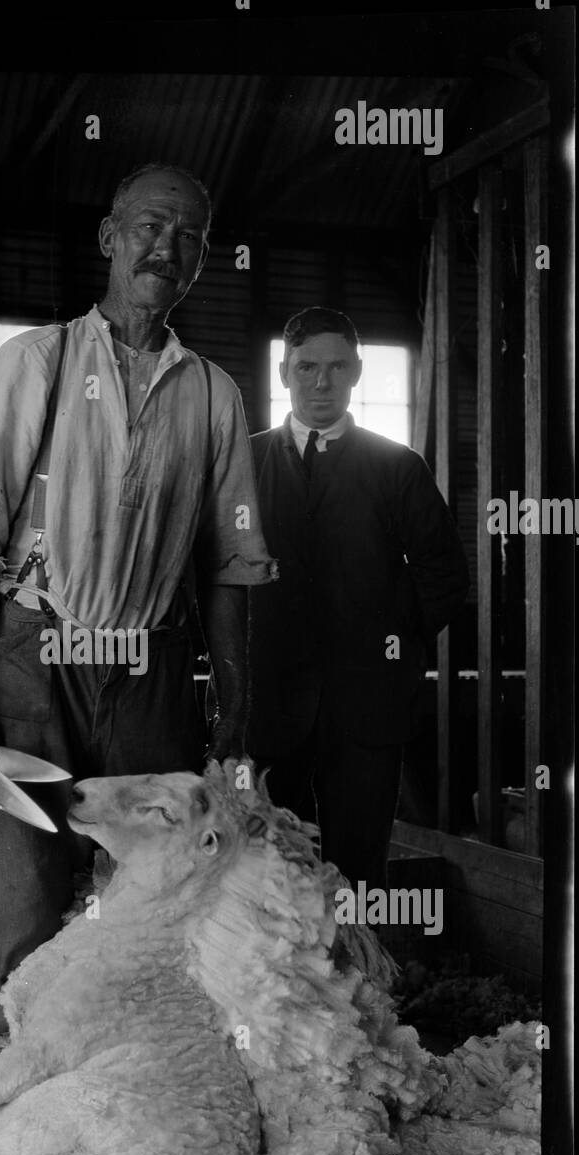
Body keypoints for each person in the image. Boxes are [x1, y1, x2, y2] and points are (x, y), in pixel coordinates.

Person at [0, 163, 277, 1052]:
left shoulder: (213, 392)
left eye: (189, 235)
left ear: (202, 258)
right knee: (21, 901)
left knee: (150, 901)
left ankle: (126, 1092)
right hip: (32, 661)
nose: (167, 247)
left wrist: (233, 718)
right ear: (109, 237)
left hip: (149, 670)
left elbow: (230, 568)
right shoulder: (37, 360)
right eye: (150, 226)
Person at [248, 306, 469, 893]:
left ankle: (356, 956)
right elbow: (208, 571)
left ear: (357, 372)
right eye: (307, 367)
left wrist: (389, 645)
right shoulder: (242, 462)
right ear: (284, 372)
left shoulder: (398, 467)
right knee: (267, 873)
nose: (322, 382)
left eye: (338, 367)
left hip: (368, 709)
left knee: (357, 874)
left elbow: (445, 576)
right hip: (268, 707)